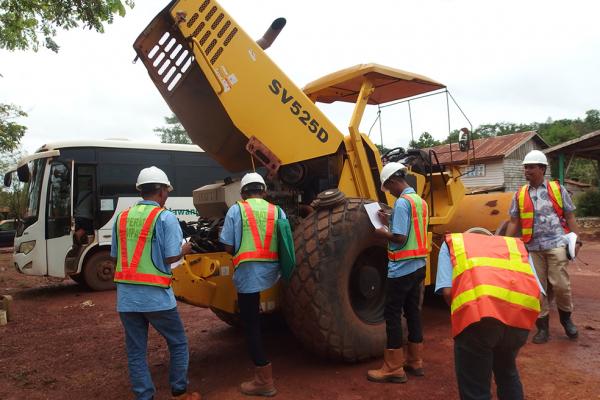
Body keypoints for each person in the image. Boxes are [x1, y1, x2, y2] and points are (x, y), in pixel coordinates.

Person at [111, 166, 200, 400]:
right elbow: (171, 256)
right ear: (161, 191)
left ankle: (144, 396)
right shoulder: (165, 216)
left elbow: (115, 255)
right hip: (157, 298)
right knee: (178, 343)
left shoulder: (122, 218)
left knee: (136, 351)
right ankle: (179, 391)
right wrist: (185, 249)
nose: (167, 195)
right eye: (166, 191)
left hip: (127, 299)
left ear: (141, 190)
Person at [435, 231, 542, 400]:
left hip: (478, 321)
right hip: (518, 321)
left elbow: (447, 292)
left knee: (475, 388)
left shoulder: (452, 243)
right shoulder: (515, 245)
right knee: (507, 372)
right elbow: (539, 293)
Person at [505, 149, 581, 344]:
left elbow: (570, 215)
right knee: (538, 290)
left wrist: (577, 239)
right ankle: (542, 328)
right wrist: (504, 243)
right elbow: (514, 222)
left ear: (542, 169)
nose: (526, 170)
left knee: (561, 285)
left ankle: (567, 320)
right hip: (532, 248)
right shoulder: (520, 194)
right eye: (525, 167)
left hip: (557, 244)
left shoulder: (557, 189)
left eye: (530, 167)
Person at [219, 172, 285, 397]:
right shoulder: (277, 211)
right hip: (274, 273)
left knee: (251, 324)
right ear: (264, 191)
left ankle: (264, 380)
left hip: (249, 275)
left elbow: (227, 247)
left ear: (243, 193)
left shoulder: (236, 210)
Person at [367, 162, 429, 384]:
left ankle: (393, 367)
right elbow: (412, 231)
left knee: (392, 314)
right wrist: (390, 220)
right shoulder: (419, 202)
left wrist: (381, 232)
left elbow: (400, 238)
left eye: (388, 187)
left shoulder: (402, 203)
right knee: (413, 312)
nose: (390, 192)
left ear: (394, 181)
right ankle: (415, 361)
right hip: (419, 265)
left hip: (401, 268)